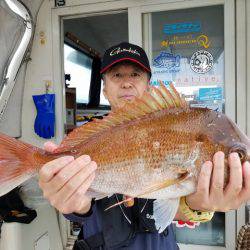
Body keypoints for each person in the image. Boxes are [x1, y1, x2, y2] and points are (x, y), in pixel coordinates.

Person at [39, 42, 250, 250]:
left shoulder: (176, 126)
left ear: (148, 85)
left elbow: (173, 205)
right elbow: (83, 204)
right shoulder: (91, 139)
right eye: (117, 75)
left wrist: (202, 206)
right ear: (104, 88)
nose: (126, 83)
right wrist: (74, 202)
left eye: (135, 74)